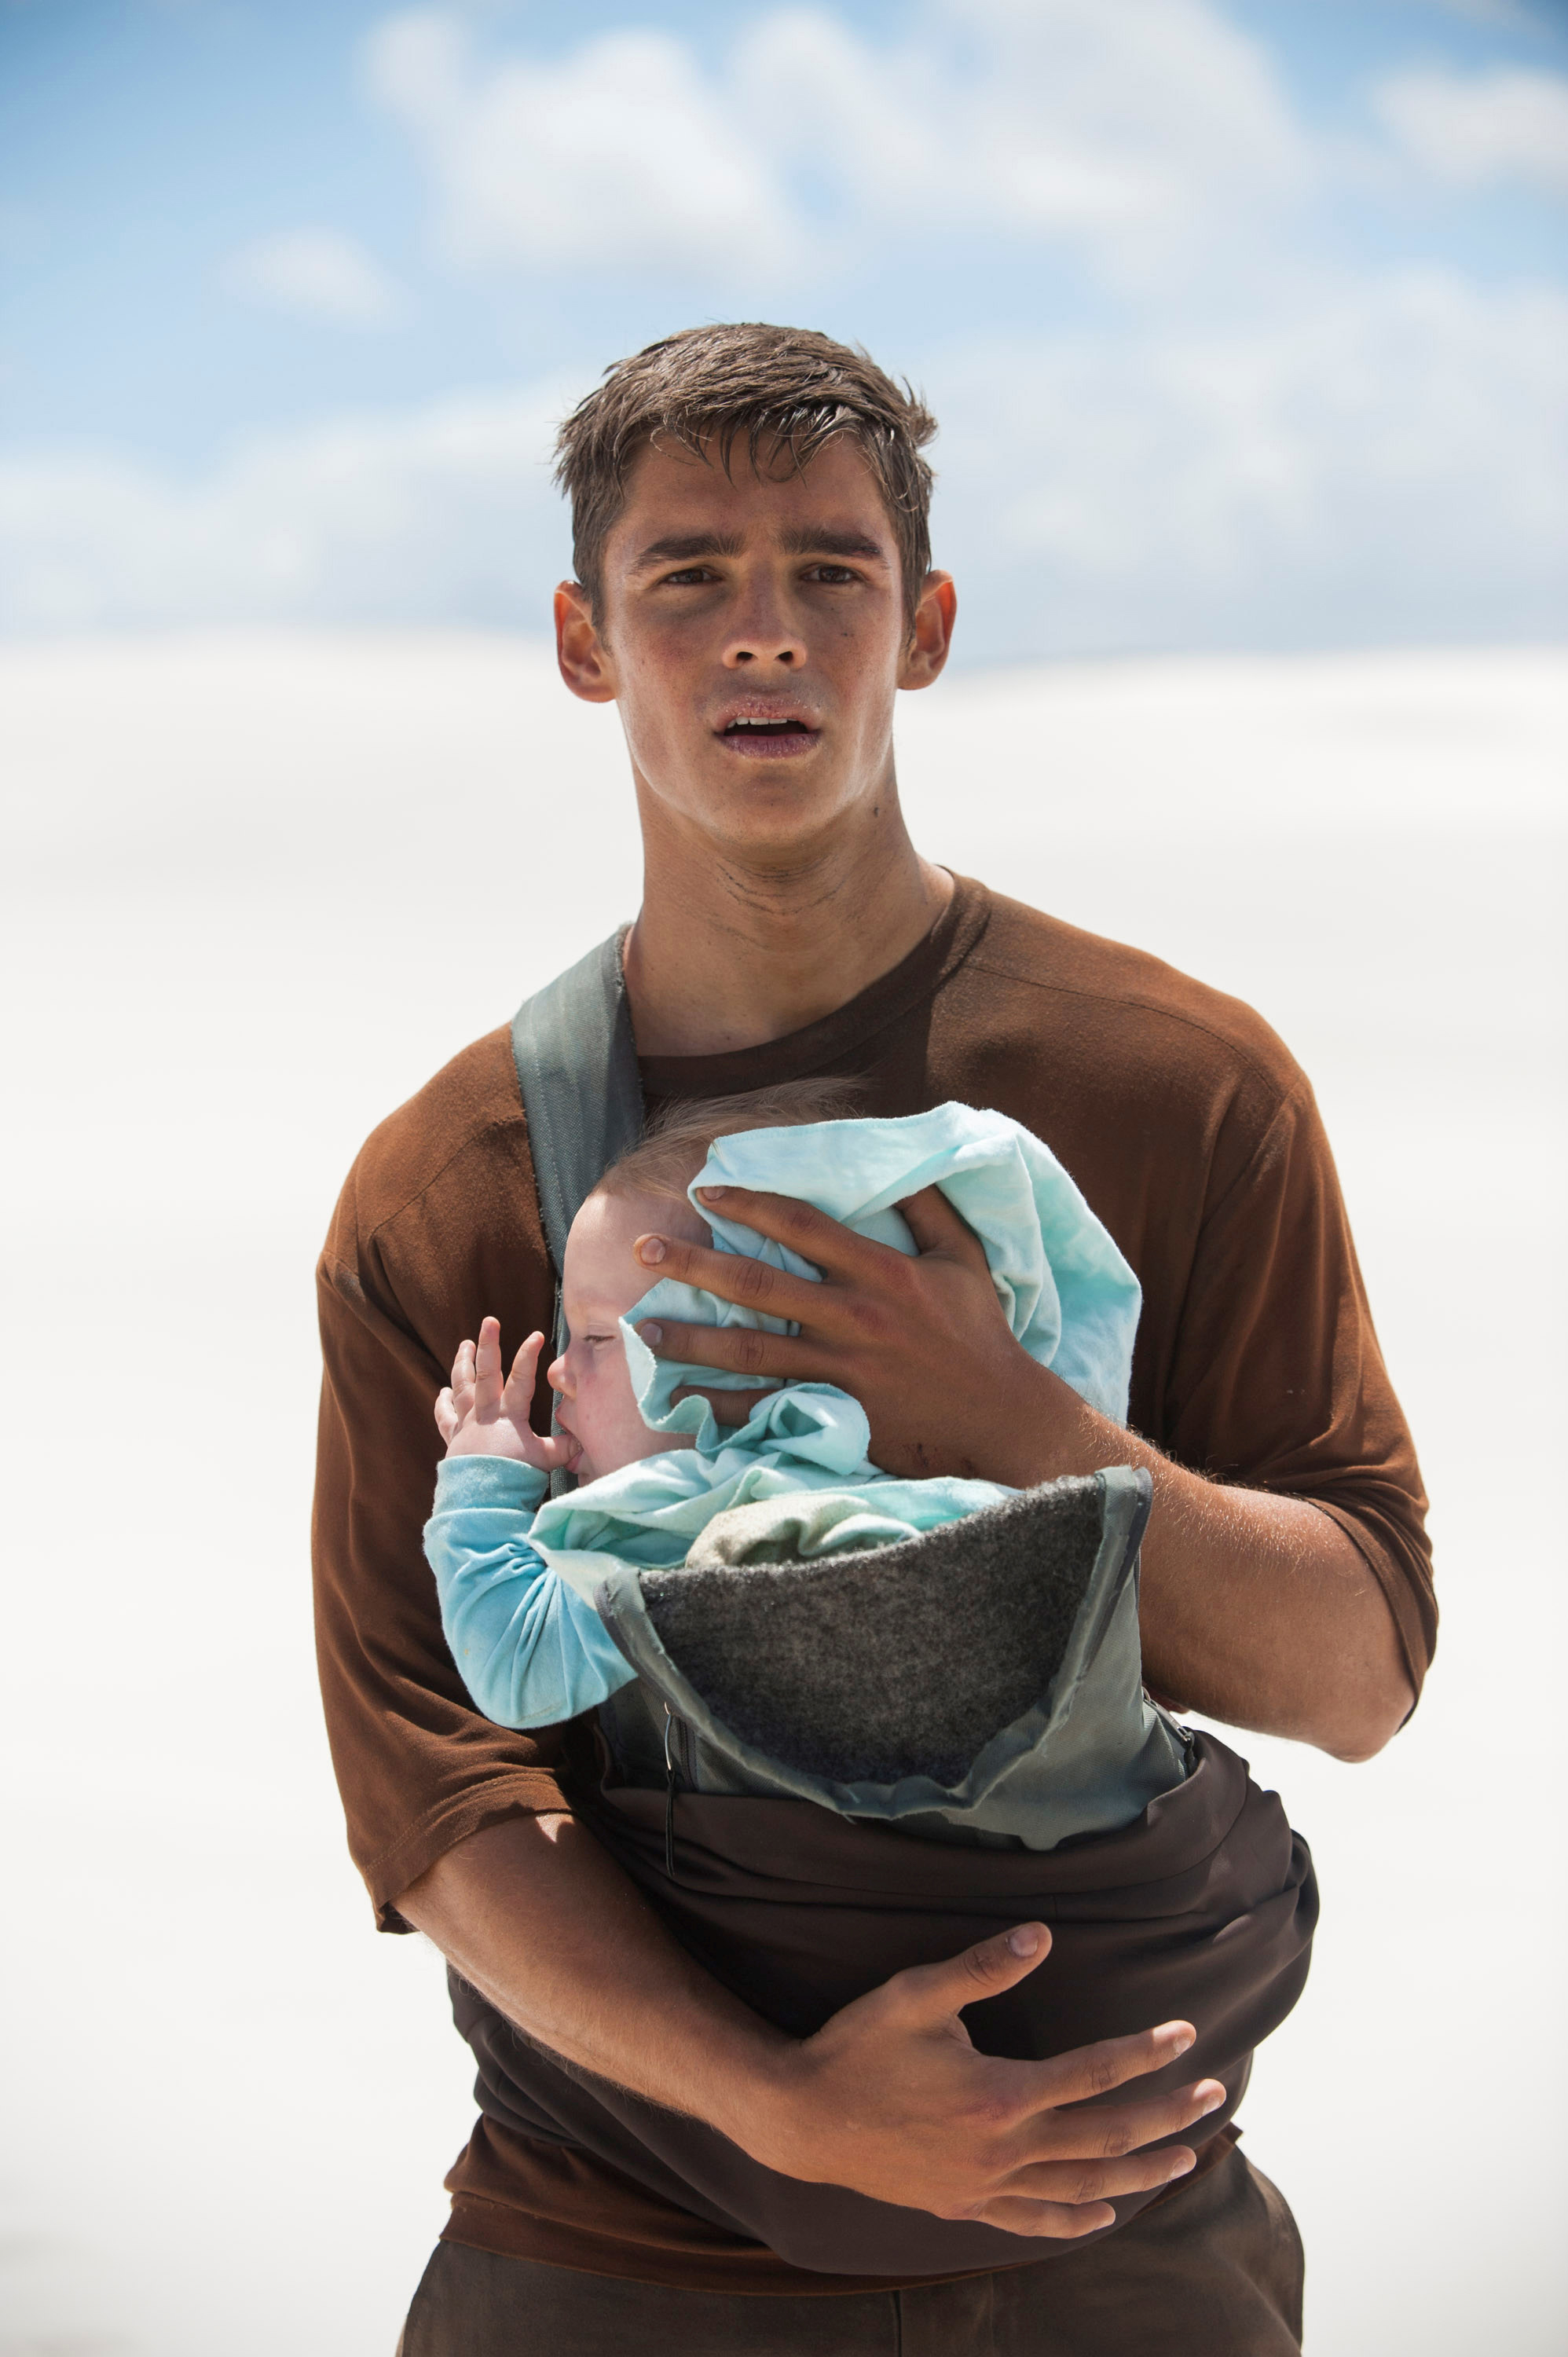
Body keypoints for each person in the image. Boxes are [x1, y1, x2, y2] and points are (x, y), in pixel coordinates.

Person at [313, 322, 1432, 2354]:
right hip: (609, 2265)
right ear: (585, 639)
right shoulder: (458, 1176)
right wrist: (786, 2107)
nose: (763, 635)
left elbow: (1352, 1674)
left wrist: (1003, 1415)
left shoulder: (1176, 1085)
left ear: (917, 625)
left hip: (1114, 2266)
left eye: (826, 572)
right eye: (688, 579)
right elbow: (440, 1788)